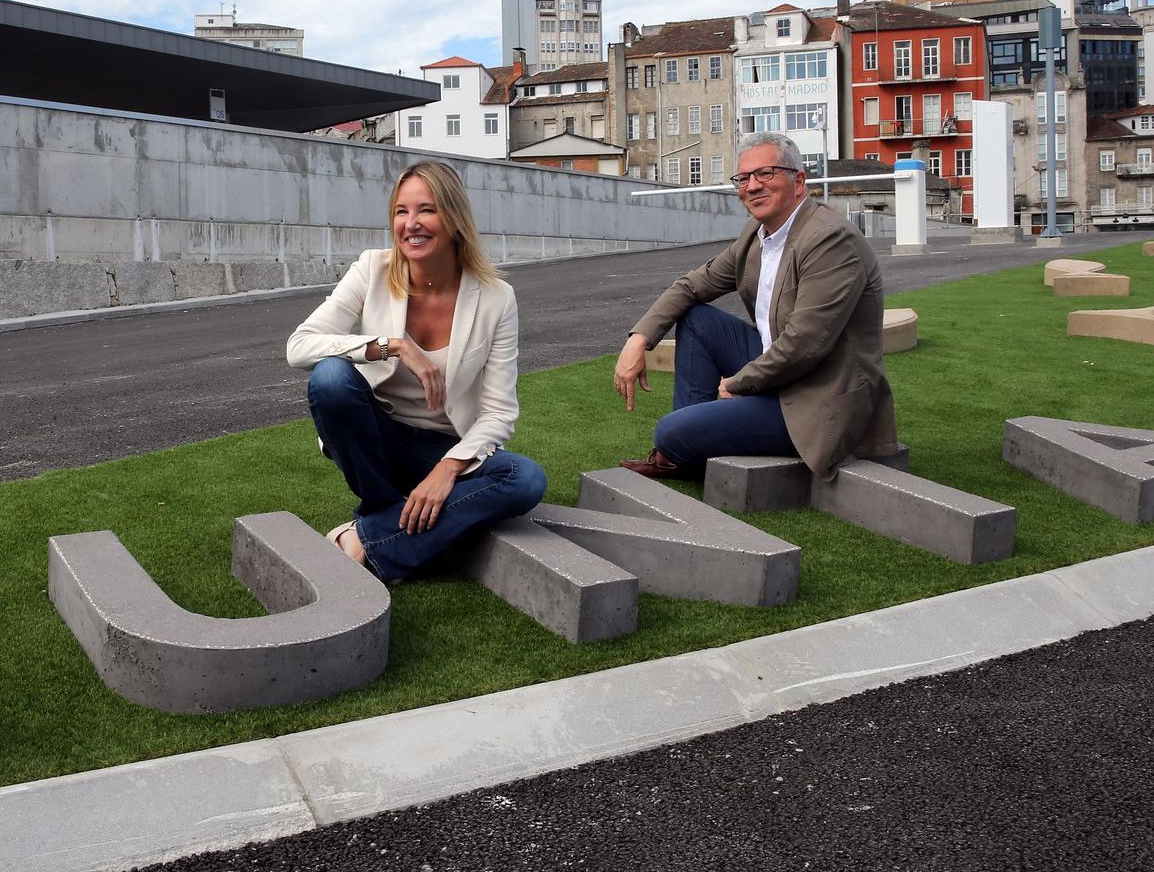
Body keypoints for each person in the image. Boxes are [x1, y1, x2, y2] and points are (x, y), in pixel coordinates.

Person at [287, 161, 547, 583]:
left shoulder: (497, 298)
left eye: (427, 210)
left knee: (525, 479)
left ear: (454, 218)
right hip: (378, 438)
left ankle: (370, 533)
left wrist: (447, 469)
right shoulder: (372, 268)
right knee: (330, 379)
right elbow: (299, 346)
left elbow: (499, 413)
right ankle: (392, 516)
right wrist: (390, 346)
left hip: (442, 446)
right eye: (401, 212)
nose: (412, 224)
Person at [613, 131, 897, 480]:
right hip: (778, 372)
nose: (752, 186)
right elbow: (692, 286)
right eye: (743, 178)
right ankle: (685, 454)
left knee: (669, 432)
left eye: (766, 173)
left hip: (818, 393)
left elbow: (804, 345)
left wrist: (738, 383)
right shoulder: (757, 235)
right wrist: (638, 339)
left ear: (798, 181)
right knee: (698, 319)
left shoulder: (829, 240)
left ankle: (681, 443)